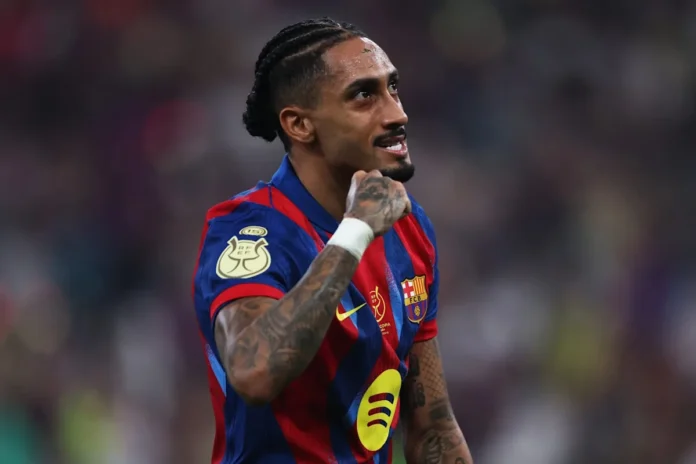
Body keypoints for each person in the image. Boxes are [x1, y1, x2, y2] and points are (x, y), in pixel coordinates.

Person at [192, 17, 473, 464]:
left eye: (393, 88)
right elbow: (253, 372)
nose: (397, 114)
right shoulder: (249, 229)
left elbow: (432, 429)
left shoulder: (409, 228)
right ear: (300, 124)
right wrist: (356, 230)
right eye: (364, 95)